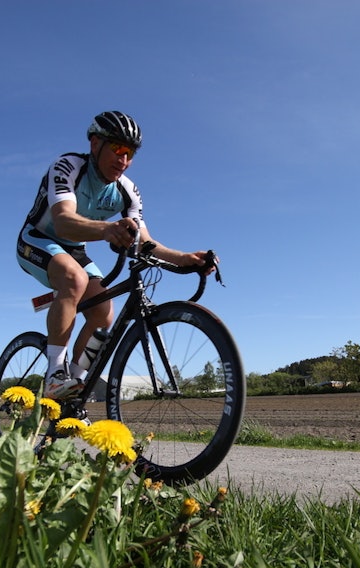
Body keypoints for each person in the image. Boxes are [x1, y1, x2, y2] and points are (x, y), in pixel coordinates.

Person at [16, 110, 213, 399]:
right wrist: (107, 229)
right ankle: (55, 374)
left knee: (104, 314)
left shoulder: (128, 190)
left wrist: (185, 259)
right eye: (118, 148)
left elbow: (145, 242)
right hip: (37, 239)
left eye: (130, 153)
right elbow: (63, 221)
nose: (124, 160)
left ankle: (73, 389)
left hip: (75, 250)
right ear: (95, 144)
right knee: (73, 278)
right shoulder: (69, 166)